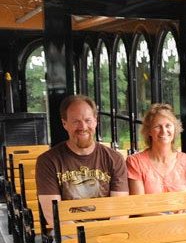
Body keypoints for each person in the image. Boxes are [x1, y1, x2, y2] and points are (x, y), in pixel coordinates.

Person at [36, 94, 129, 229]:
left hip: (109, 231)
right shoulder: (48, 161)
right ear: (64, 124)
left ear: (96, 121)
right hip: (69, 235)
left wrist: (106, 235)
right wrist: (84, 239)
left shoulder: (115, 159)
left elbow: (121, 209)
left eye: (88, 120)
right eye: (76, 121)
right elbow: (53, 215)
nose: (83, 127)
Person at [126, 103, 186, 194]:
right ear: (149, 131)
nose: (164, 131)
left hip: (183, 209)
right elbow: (140, 204)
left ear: (175, 129)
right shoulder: (135, 162)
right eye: (158, 126)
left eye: (168, 126)